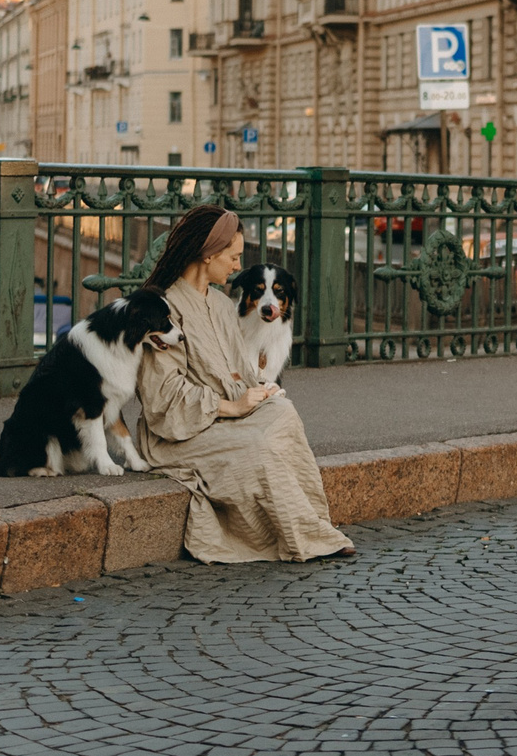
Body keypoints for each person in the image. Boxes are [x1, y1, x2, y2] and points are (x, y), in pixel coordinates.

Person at [134, 204, 354, 562]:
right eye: (233, 257)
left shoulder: (220, 304)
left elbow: (240, 374)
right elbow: (163, 399)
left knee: (284, 413)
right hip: (179, 433)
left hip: (227, 414)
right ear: (208, 255)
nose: (238, 266)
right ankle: (302, 538)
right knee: (259, 445)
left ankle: (313, 525)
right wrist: (232, 407)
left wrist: (258, 392)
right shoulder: (163, 309)